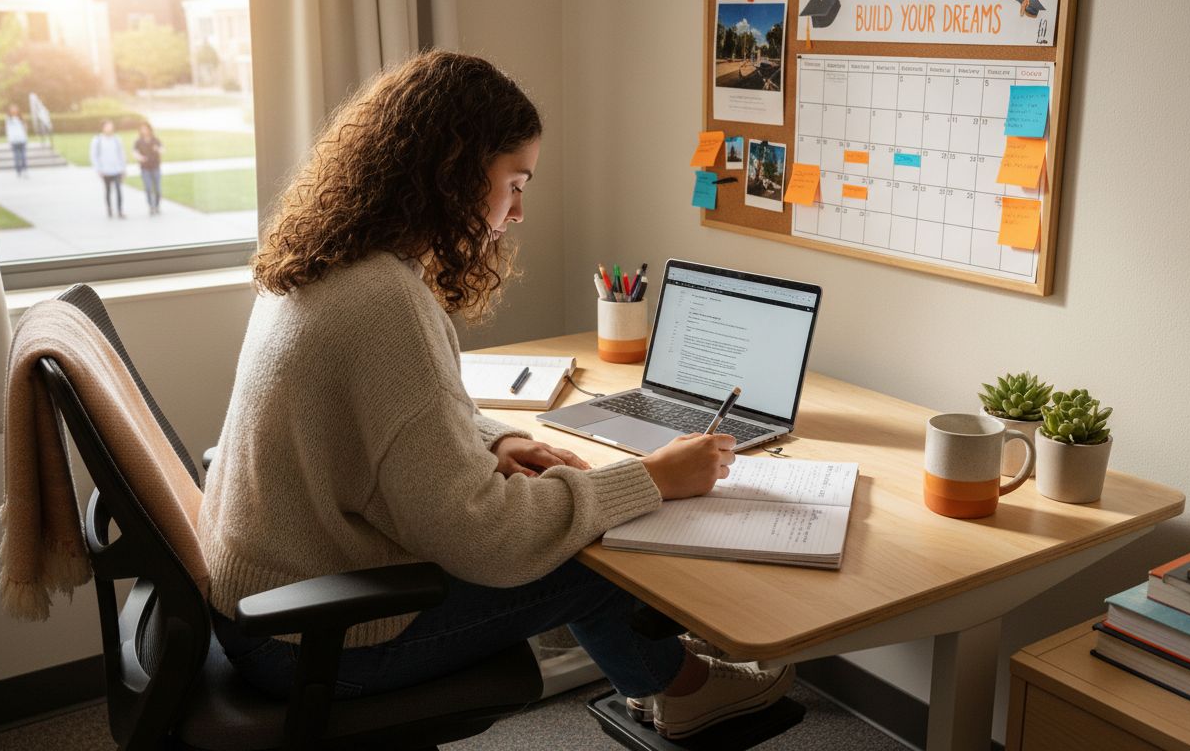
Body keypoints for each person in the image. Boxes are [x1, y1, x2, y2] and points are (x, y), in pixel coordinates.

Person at [199, 50, 793, 741]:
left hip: (270, 599)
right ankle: (683, 689)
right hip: (315, 641)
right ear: (453, 168)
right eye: (514, 182)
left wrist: (498, 439)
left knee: (582, 516)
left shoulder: (327, 261)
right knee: (597, 552)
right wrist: (652, 479)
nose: (516, 211)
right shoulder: (385, 303)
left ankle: (659, 678)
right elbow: (488, 540)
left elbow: (409, 413)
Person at [89, 120, 126, 218]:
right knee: (108, 190)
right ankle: (109, 209)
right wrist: (98, 169)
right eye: (108, 126)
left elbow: (121, 154)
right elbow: (94, 156)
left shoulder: (117, 139)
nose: (110, 128)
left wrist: (123, 168)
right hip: (105, 170)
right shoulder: (98, 140)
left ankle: (120, 210)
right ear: (103, 128)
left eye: (111, 126)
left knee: (119, 190)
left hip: (117, 169)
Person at [133, 123, 164, 215]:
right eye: (142, 129)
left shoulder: (155, 140)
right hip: (145, 168)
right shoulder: (138, 141)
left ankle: (157, 205)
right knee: (148, 187)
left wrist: (157, 149)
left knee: (157, 188)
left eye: (146, 129)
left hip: (155, 167)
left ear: (150, 130)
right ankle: (151, 206)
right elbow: (135, 152)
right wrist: (140, 157)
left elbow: (163, 150)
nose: (144, 131)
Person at [5, 104, 28, 178]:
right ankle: (18, 171)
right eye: (12, 109)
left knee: (23, 156)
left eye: (15, 109)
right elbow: (8, 130)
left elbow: (25, 128)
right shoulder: (8, 119)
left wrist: (25, 136)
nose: (14, 110)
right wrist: (9, 140)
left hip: (22, 139)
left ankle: (25, 170)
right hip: (14, 140)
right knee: (16, 156)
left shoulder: (21, 118)